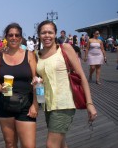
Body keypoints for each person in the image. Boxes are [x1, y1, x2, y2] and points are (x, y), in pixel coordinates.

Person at [36, 20, 97, 148]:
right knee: (61, 142)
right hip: (47, 104)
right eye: (43, 33)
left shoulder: (65, 49)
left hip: (64, 104)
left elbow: (81, 76)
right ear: (39, 35)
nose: (47, 35)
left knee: (51, 144)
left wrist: (89, 103)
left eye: (50, 32)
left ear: (55, 34)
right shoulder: (38, 54)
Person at [0, 23, 38, 148]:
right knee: (10, 144)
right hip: (5, 102)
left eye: (16, 35)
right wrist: (1, 89)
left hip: (26, 104)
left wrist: (35, 104)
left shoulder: (29, 55)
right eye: (10, 35)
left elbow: (36, 81)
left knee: (29, 145)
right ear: (6, 37)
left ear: (20, 37)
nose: (13, 37)